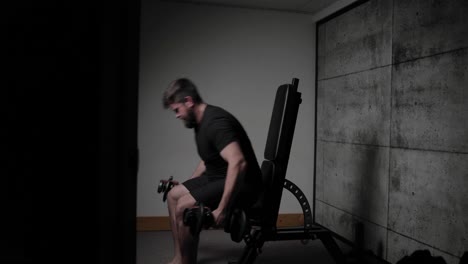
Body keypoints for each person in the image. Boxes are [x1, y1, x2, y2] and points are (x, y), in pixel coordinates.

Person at [162, 78, 262, 264]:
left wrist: (223, 209)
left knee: (184, 206)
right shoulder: (200, 122)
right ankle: (179, 258)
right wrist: (189, 184)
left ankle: (187, 262)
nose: (177, 115)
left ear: (189, 101)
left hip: (245, 184)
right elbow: (209, 159)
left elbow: (238, 162)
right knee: (173, 195)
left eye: (177, 110)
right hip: (218, 177)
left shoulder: (215, 122)